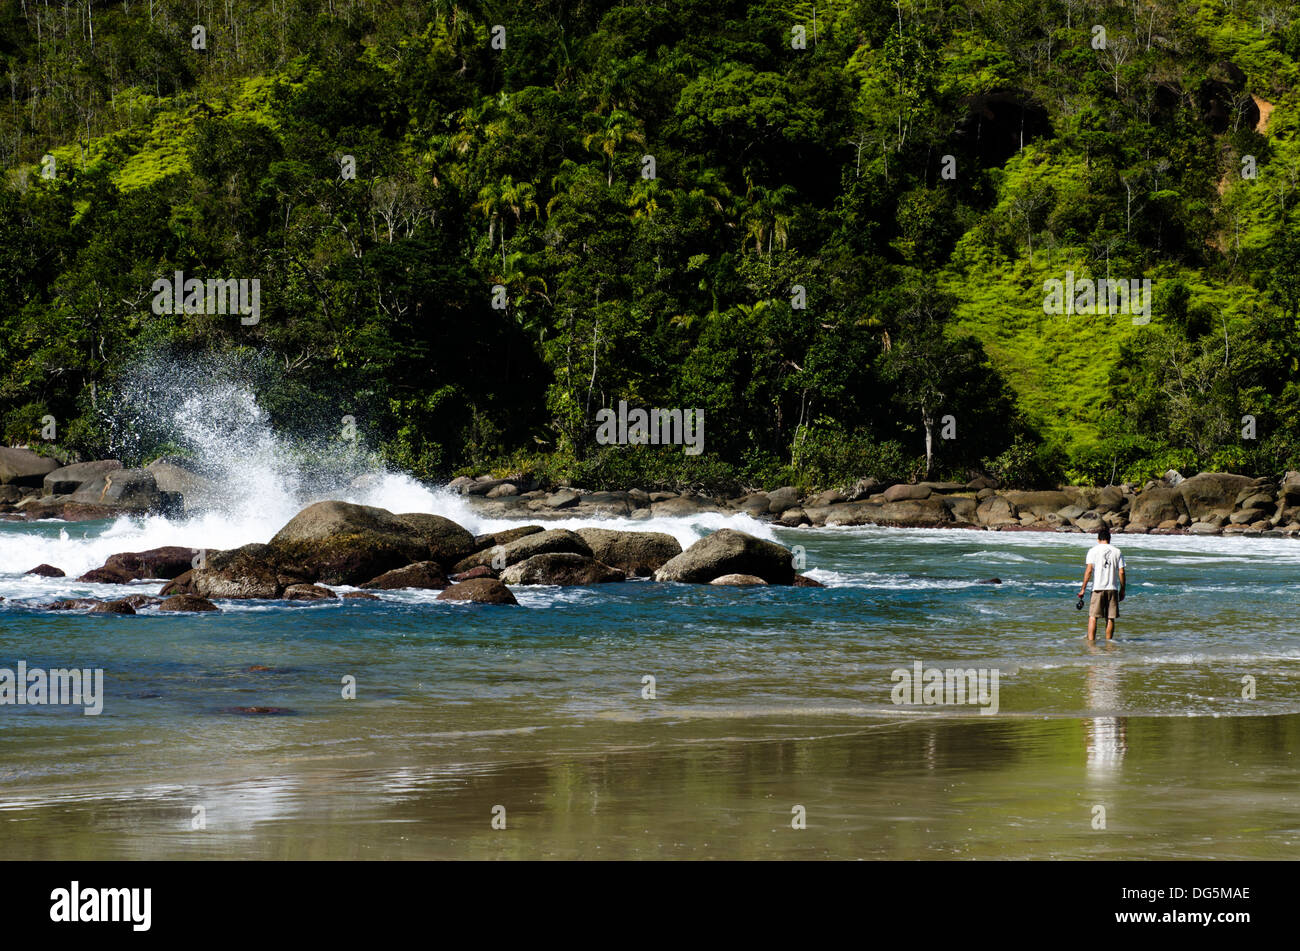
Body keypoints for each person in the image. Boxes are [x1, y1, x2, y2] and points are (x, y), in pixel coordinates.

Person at [1077, 526, 1126, 641]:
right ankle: (1109, 643)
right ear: (1109, 539)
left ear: (1098, 539)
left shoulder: (1093, 551)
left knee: (1093, 617)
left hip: (1097, 588)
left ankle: (1091, 643)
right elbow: (1121, 572)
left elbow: (1089, 571)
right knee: (1110, 618)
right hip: (1112, 588)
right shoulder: (1117, 551)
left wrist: (1083, 589)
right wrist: (1122, 589)